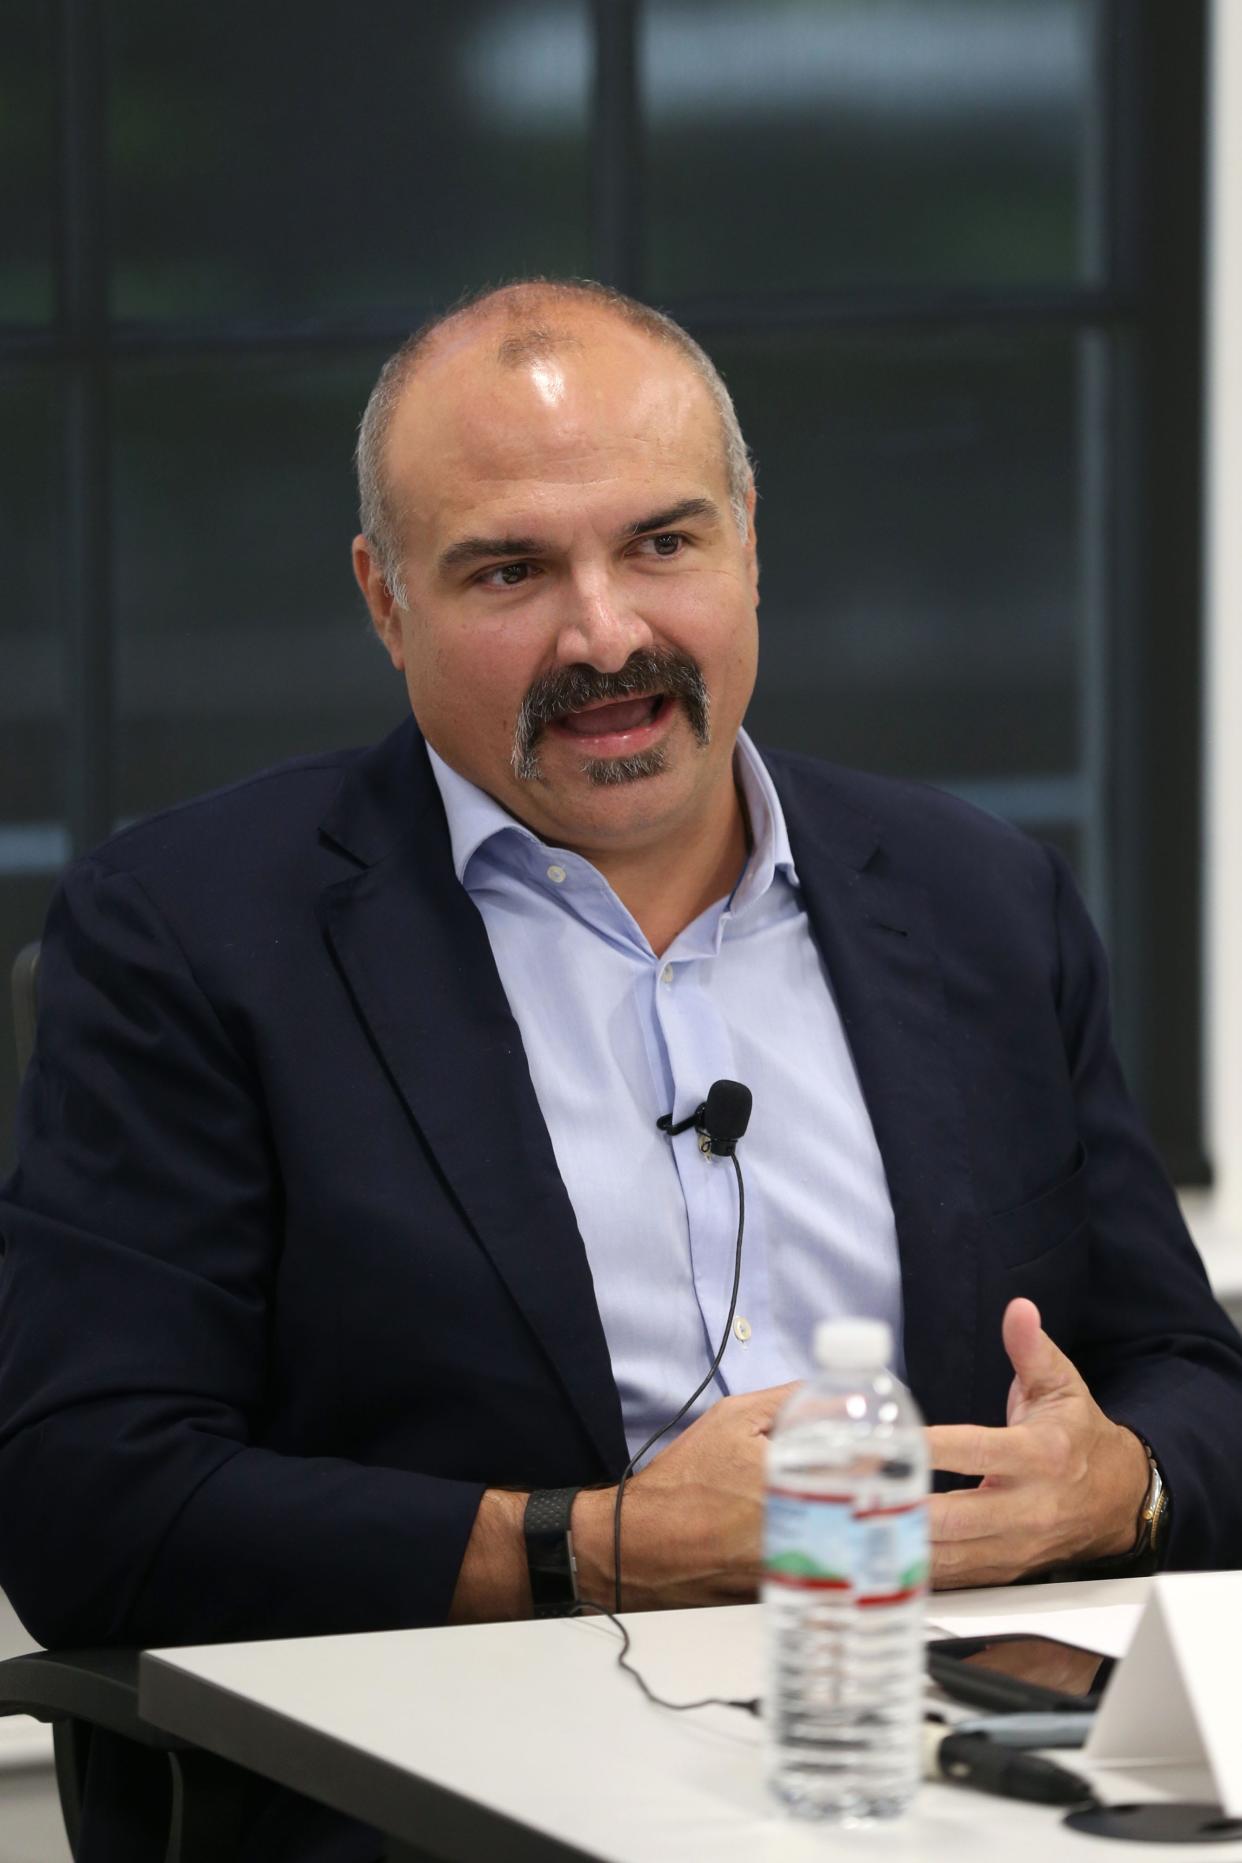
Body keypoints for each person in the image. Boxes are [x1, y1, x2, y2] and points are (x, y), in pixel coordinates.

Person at [1, 279, 1240, 1861]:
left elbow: (1186, 1375)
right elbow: (90, 1501)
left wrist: (1111, 1485)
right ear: (387, 604)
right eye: (510, 569)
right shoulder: (193, 933)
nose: (606, 634)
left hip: (950, 1784)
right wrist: (588, 1547)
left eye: (662, 543)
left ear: (746, 540)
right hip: (448, 1805)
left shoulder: (977, 897)